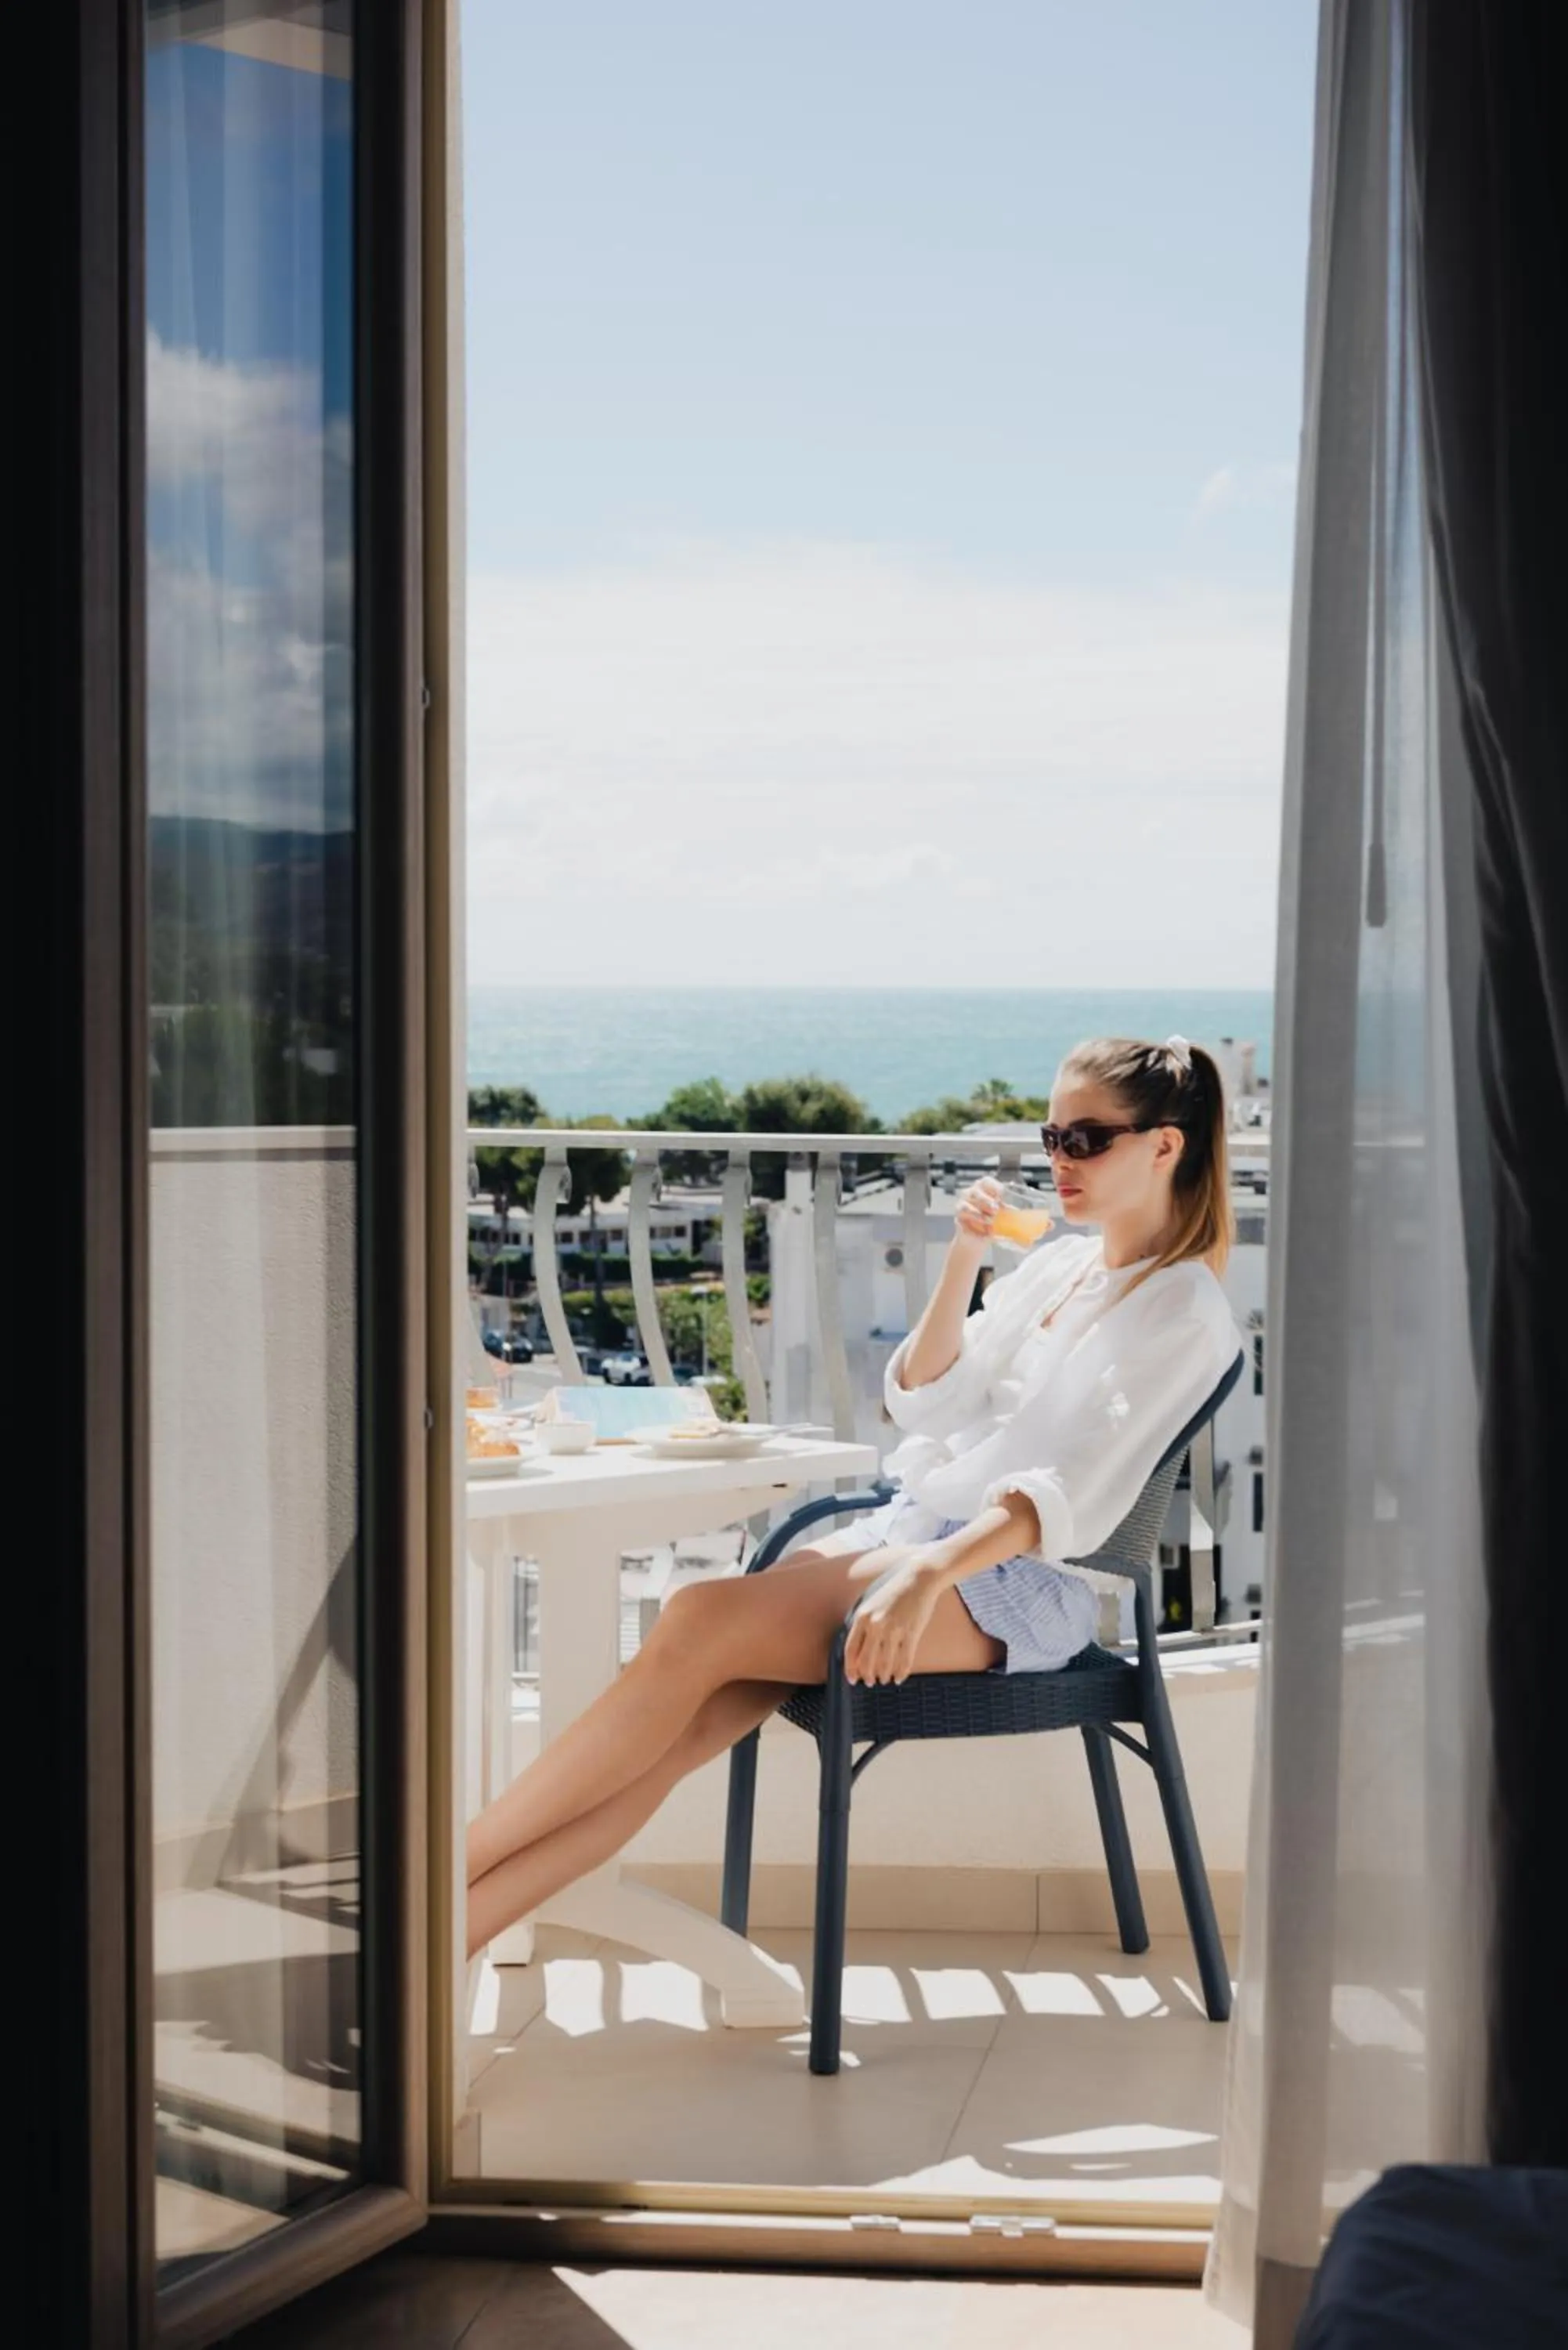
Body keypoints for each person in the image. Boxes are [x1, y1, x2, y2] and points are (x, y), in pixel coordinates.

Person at [466, 1033, 1243, 1956]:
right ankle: (450, 1928)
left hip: (1019, 1583)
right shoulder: (1056, 1269)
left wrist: (925, 1575)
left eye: (1086, 1139)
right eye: (1050, 1137)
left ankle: (430, 1885)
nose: (1058, 1160)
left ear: (1164, 1146)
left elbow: (1064, 1492)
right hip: (921, 1535)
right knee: (680, 1723)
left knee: (698, 1618)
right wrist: (964, 1258)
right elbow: (926, 1398)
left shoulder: (1183, 1312)